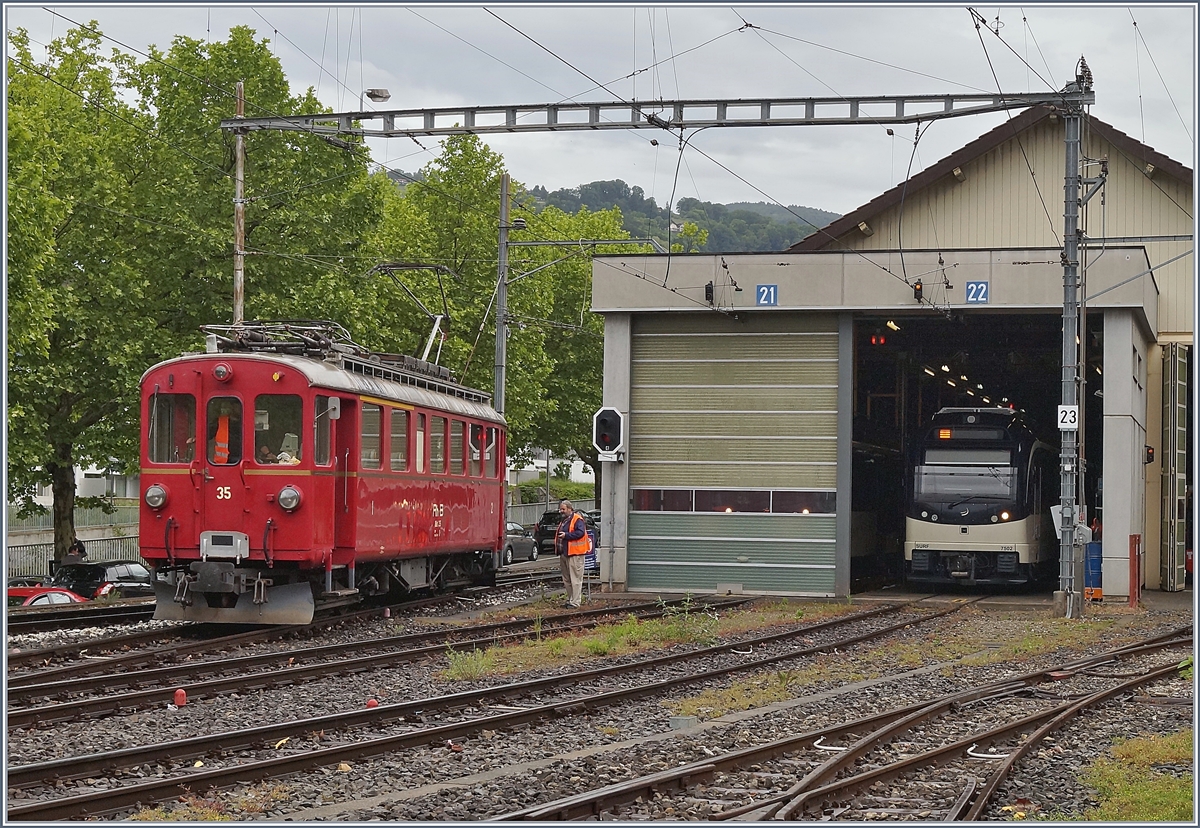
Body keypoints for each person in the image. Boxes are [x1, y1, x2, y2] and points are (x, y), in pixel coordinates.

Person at [554, 499, 589, 609]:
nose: (561, 511)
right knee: (567, 579)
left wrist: (566, 535)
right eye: (560, 509)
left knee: (575, 579)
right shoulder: (564, 520)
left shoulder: (577, 519)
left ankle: (575, 602)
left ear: (570, 509)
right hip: (565, 553)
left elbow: (580, 533)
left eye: (563, 509)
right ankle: (570, 600)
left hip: (575, 554)